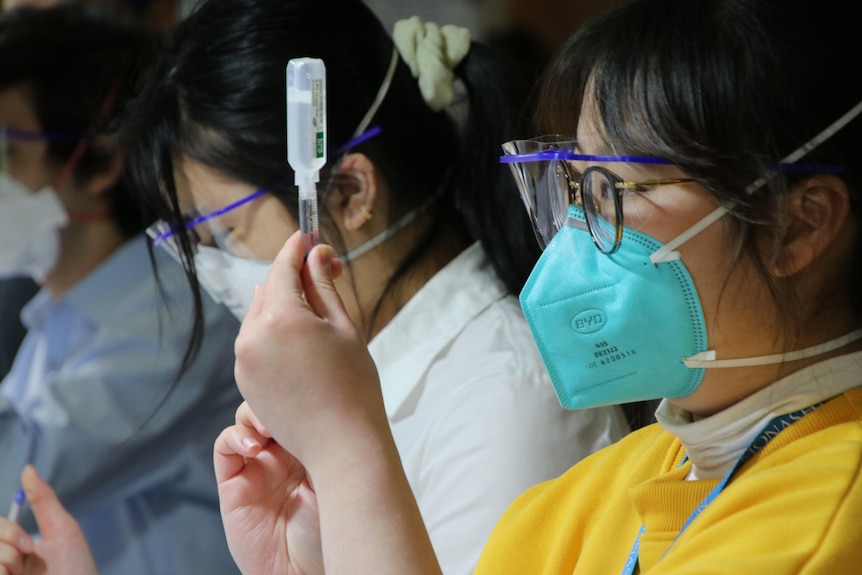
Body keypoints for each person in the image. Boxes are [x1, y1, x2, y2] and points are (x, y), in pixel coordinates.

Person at [19, 0, 861, 572]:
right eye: (566, 189)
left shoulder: (828, 511)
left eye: (611, 192)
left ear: (798, 224)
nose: (571, 236)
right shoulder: (607, 490)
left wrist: (349, 450)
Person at [123, 0, 625, 572]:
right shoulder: (361, 381)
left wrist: (338, 447)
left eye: (225, 230)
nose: (214, 268)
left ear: (350, 193)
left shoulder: (503, 401)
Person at [0, 6, 242, 575]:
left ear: (102, 160)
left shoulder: (179, 314)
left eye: (5, 150)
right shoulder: (55, 316)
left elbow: (15, 477)